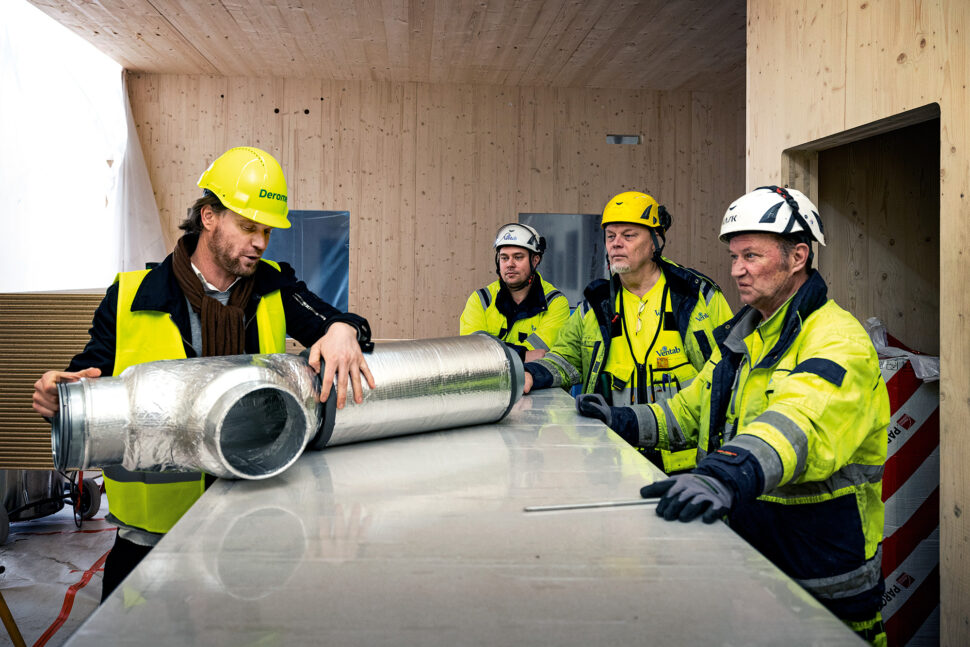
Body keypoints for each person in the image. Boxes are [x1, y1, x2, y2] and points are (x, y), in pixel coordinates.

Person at [32, 146, 376, 602]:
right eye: (249, 226)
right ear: (209, 216)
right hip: (150, 540)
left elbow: (350, 327)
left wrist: (342, 328)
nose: (260, 242)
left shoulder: (276, 286)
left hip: (252, 520)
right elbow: (84, 383)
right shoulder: (133, 294)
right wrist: (58, 397)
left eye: (267, 231)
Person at [592, 186, 888, 645]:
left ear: (798, 257)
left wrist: (724, 475)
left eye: (751, 256)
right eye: (734, 257)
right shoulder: (744, 337)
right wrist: (622, 421)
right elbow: (690, 408)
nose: (736, 271)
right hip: (754, 552)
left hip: (820, 567)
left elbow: (800, 423)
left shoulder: (837, 340)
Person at [523, 191, 732, 473]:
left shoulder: (697, 298)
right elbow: (566, 359)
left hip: (685, 461)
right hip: (613, 455)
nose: (616, 244)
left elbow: (727, 374)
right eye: (610, 236)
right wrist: (531, 374)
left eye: (629, 235)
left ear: (655, 241)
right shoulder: (596, 305)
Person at [459, 222, 570, 362]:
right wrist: (522, 355)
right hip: (489, 383)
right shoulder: (480, 300)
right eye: (504, 258)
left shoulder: (555, 302)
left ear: (535, 260)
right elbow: (474, 351)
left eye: (518, 257)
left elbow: (540, 355)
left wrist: (493, 353)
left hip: (534, 382)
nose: (510, 264)